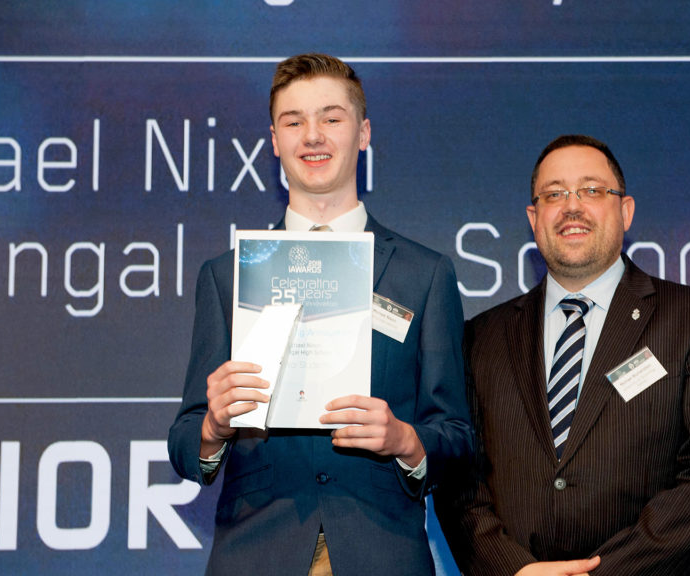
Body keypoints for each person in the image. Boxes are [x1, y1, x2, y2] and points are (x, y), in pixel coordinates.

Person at [168, 53, 472, 576]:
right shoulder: (229, 276)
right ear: (274, 140)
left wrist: (405, 439)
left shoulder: (424, 275)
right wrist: (214, 425)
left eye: (331, 118)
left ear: (363, 132)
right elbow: (183, 440)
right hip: (257, 552)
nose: (313, 136)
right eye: (294, 121)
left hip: (381, 552)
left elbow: (457, 438)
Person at [436, 135, 690, 576]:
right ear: (534, 217)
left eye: (591, 190)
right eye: (554, 194)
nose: (571, 206)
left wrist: (605, 574)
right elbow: (459, 481)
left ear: (625, 211)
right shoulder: (481, 337)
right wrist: (514, 571)